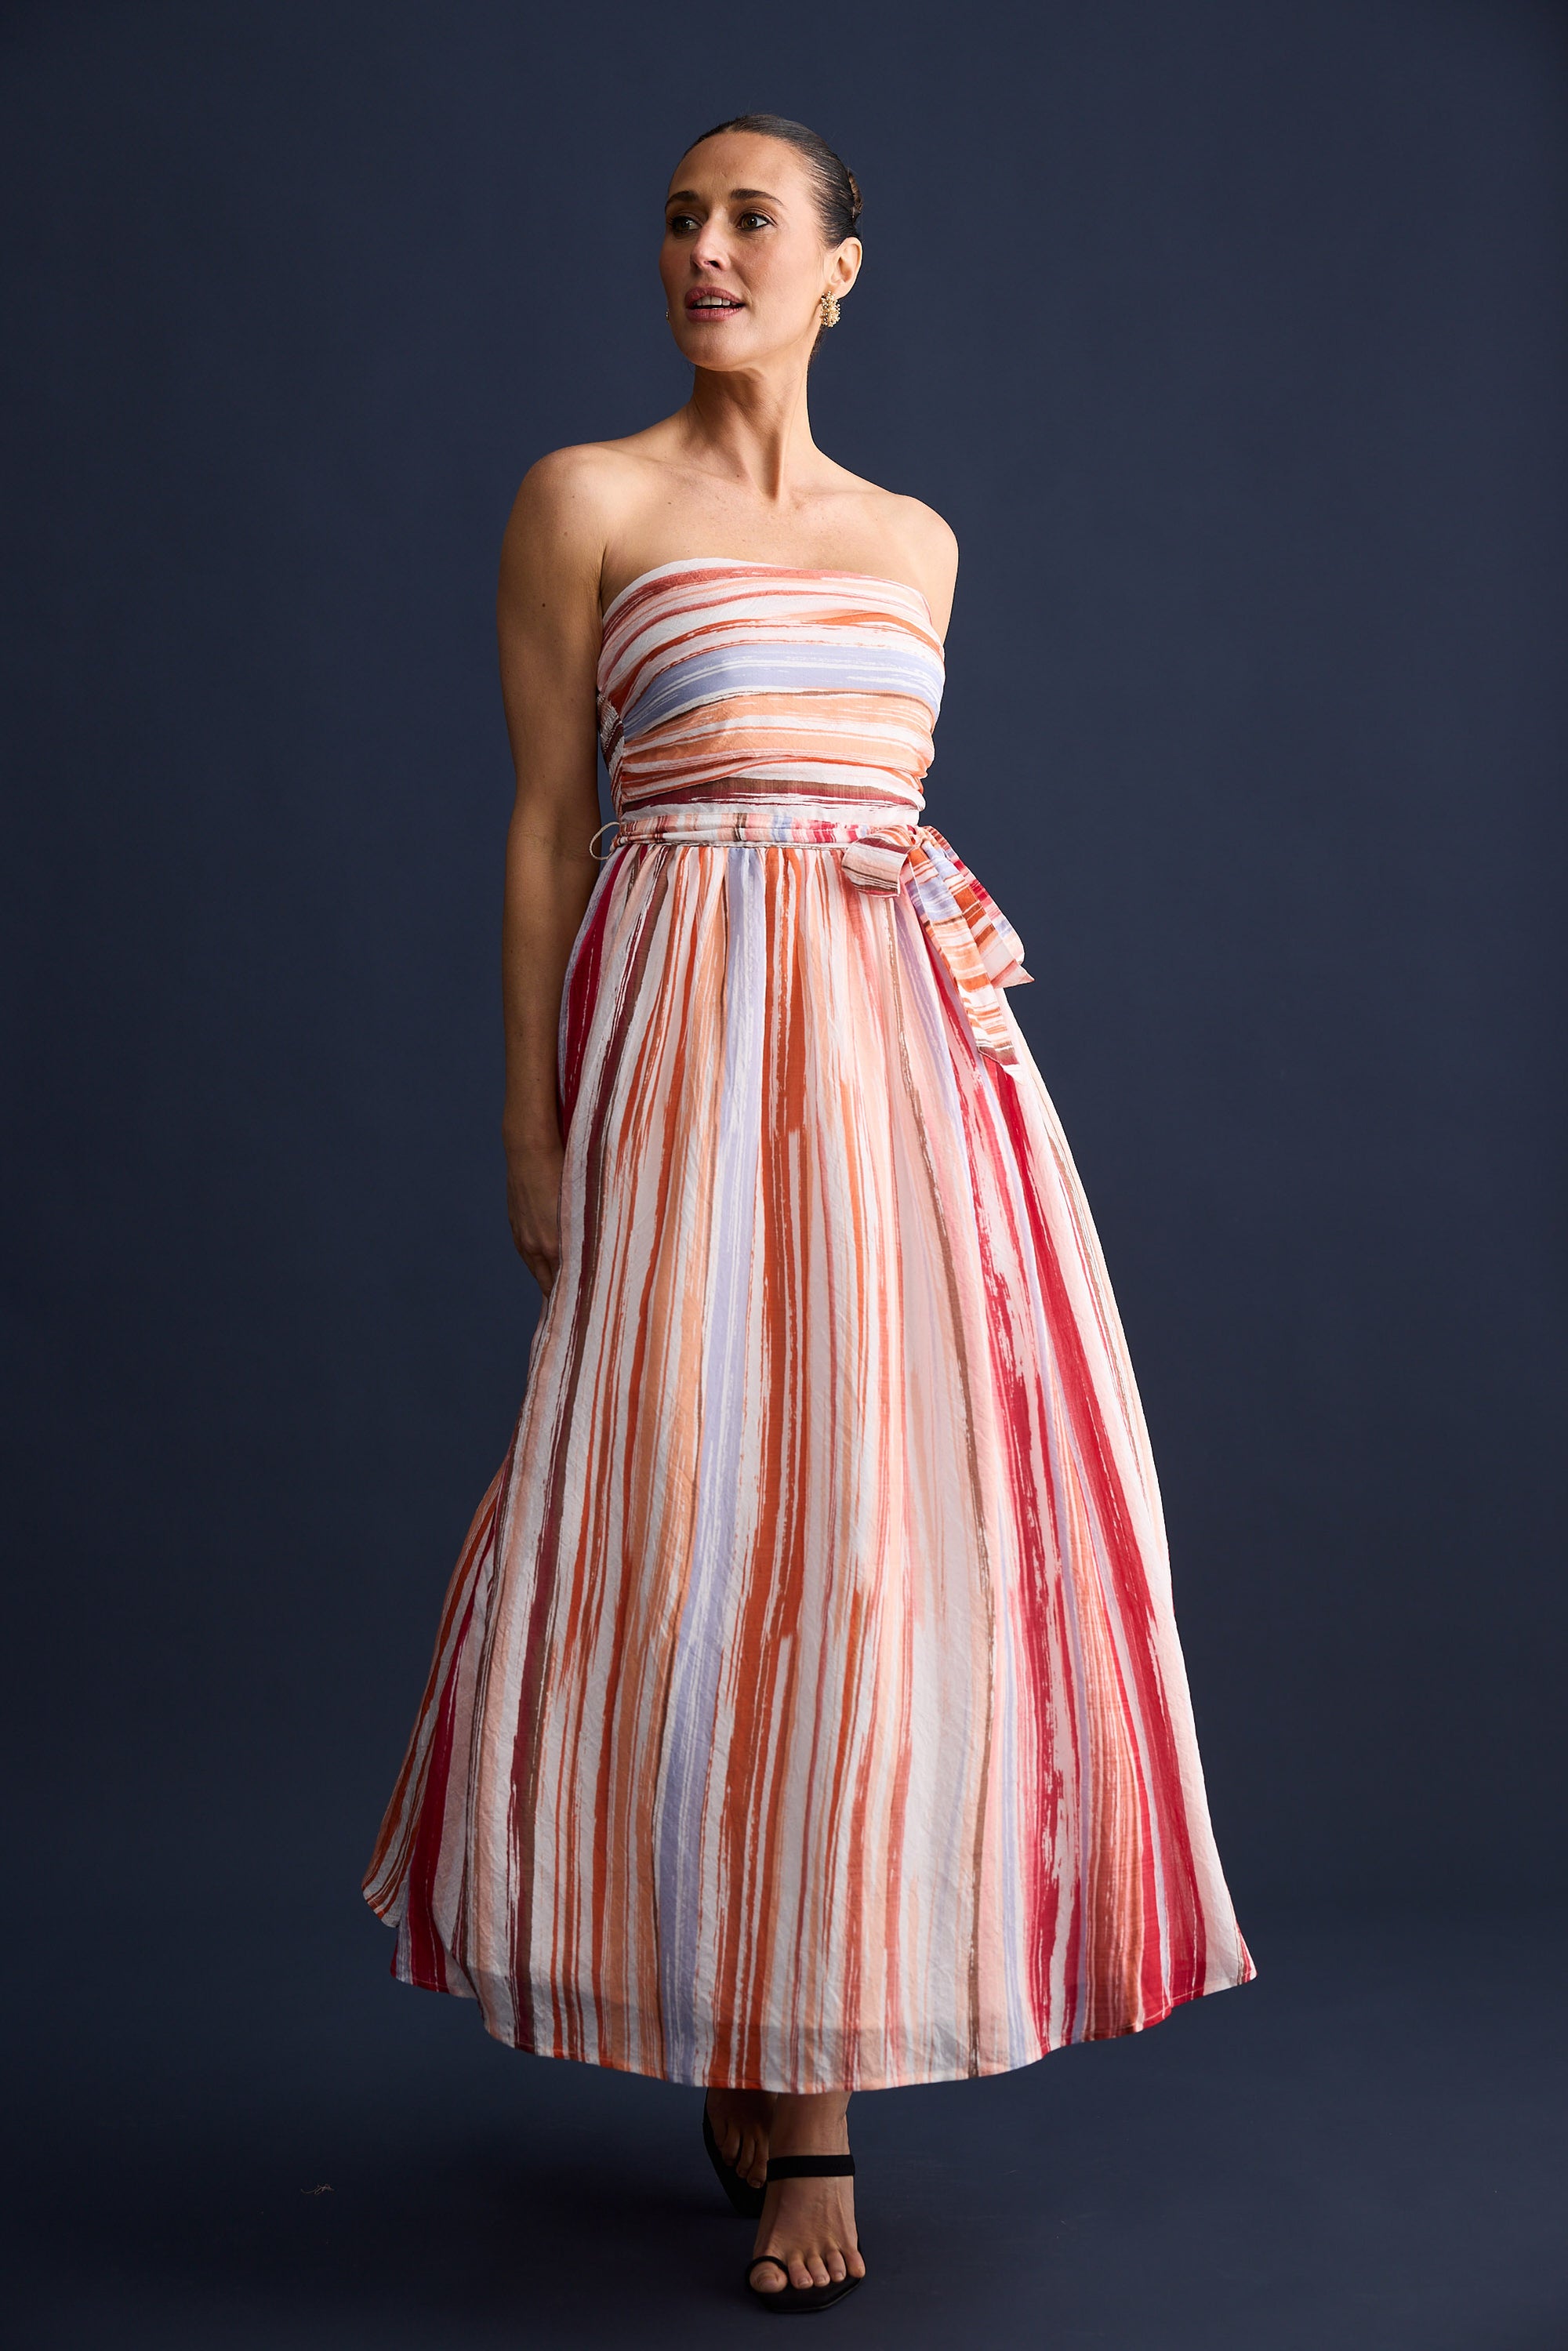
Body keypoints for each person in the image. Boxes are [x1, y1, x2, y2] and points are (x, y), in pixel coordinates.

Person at [364, 112, 1254, 2316]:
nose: (705, 248)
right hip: (684, 1075)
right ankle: (737, 2014)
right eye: (680, 218)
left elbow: (881, 820)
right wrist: (530, 1127)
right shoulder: (586, 500)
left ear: (843, 266)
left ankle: (814, 2092)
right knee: (698, 1529)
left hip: (907, 1088)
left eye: (751, 218)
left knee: (872, 1543)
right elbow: (547, 831)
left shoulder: (916, 540)